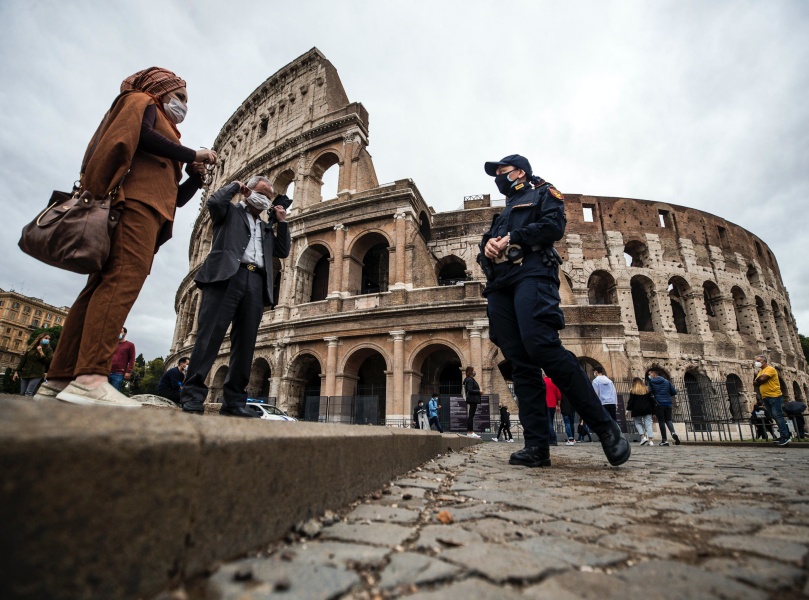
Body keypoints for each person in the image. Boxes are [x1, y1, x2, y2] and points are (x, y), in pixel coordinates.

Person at [35, 67, 216, 407]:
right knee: (120, 284)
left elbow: (172, 197)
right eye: (180, 97)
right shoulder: (141, 100)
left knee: (97, 289)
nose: (184, 106)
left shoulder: (167, 132)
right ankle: (90, 379)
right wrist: (192, 154)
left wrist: (194, 177)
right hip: (133, 209)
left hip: (145, 209)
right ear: (160, 90)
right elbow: (136, 138)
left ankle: (59, 379)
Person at [478, 154, 629, 468]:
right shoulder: (502, 214)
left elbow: (554, 227)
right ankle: (537, 446)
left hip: (532, 272)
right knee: (519, 361)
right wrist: (488, 248)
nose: (498, 177)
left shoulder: (544, 193)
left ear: (519, 171)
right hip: (500, 284)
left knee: (542, 346)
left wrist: (515, 237)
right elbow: (485, 252)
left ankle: (606, 428)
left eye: (502, 172)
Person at [179, 176, 290, 417]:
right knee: (209, 336)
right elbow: (214, 202)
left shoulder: (265, 226)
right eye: (262, 192)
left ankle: (235, 401)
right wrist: (234, 187)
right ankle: (193, 396)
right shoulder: (228, 212)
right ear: (248, 190)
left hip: (256, 280)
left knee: (246, 344)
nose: (266, 198)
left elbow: (282, 251)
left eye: (269, 197)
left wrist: (282, 223)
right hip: (226, 276)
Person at [754, 355, 790, 446]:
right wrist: (759, 380)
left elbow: (761, 380)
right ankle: (785, 434)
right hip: (765, 397)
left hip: (774, 396)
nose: (756, 362)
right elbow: (755, 383)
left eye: (758, 360)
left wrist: (759, 380)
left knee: (778, 415)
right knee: (774, 416)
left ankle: (785, 436)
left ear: (764, 361)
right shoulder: (761, 371)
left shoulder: (770, 369)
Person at [647, 369, 679, 446]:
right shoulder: (667, 381)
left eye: (650, 374)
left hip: (659, 404)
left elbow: (649, 392)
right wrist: (667, 396)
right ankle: (673, 433)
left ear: (654, 374)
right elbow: (674, 392)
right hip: (668, 403)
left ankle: (664, 440)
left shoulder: (651, 382)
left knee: (661, 421)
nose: (649, 376)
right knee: (668, 420)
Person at [627, 377, 656, 446]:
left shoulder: (633, 391)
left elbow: (631, 401)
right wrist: (654, 411)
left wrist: (627, 409)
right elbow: (652, 401)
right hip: (647, 408)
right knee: (648, 424)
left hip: (637, 409)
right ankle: (650, 440)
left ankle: (643, 437)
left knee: (638, 423)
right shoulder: (646, 390)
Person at [108, 327, 136, 391]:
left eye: (121, 332)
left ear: (125, 334)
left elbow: (132, 359)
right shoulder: (112, 344)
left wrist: (128, 372)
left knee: (114, 392)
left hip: (118, 373)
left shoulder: (130, 345)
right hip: (107, 371)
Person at [463, 366, 482, 438]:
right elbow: (470, 390)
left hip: (473, 399)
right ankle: (470, 432)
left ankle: (470, 432)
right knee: (471, 416)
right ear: (470, 371)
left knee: (471, 415)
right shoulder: (470, 380)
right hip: (473, 399)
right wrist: (479, 391)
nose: (474, 372)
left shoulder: (469, 379)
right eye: (473, 371)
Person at [544, 373, 561, 446]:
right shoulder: (554, 382)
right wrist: (558, 406)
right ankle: (550, 439)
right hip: (553, 405)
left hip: (545, 404)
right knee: (550, 421)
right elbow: (559, 395)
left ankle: (553, 439)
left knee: (548, 422)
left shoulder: (542, 382)